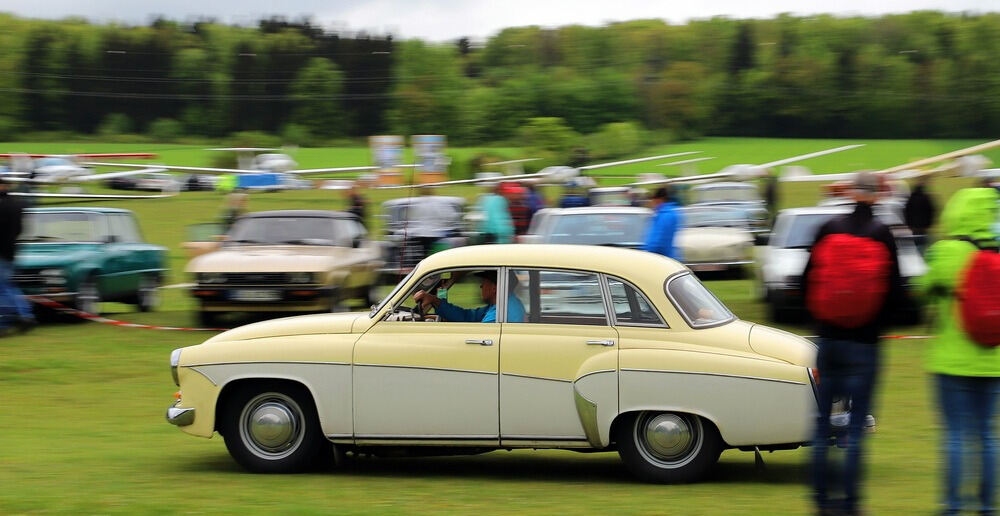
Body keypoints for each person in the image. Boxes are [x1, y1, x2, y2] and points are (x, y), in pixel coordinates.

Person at [802, 171, 904, 516]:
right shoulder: (883, 234)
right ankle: (849, 504)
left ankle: (819, 502)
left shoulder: (828, 228)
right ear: (877, 197)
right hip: (865, 345)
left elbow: (806, 281)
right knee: (856, 429)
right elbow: (897, 292)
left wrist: (821, 319)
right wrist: (876, 325)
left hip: (828, 340)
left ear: (850, 193)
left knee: (821, 428)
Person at [918, 187, 999, 515]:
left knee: (954, 435)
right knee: (987, 435)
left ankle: (951, 507)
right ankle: (986, 507)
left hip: (951, 362)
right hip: (993, 361)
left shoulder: (946, 251)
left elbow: (923, 292)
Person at [413, 270, 525, 323]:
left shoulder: (500, 313)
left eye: (484, 282)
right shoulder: (502, 304)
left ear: (494, 288)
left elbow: (481, 336)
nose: (481, 286)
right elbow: (468, 316)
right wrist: (435, 300)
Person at [0, 178, 35, 334]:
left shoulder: (3, 205)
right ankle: (26, 314)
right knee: (9, 286)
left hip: (2, 251)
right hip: (12, 251)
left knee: (3, 288)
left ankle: (4, 323)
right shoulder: (17, 204)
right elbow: (20, 229)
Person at [642, 186, 683, 260]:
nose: (652, 203)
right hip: (666, 257)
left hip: (661, 258)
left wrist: (648, 253)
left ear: (658, 199)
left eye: (652, 200)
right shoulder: (667, 213)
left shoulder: (665, 215)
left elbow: (658, 240)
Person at [904, 176, 936, 254]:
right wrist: (928, 224)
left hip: (914, 229)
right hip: (924, 229)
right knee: (924, 249)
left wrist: (909, 224)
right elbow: (932, 211)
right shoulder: (927, 197)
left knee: (915, 249)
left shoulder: (911, 198)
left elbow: (906, 211)